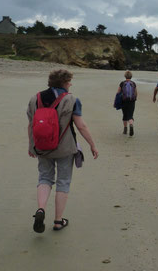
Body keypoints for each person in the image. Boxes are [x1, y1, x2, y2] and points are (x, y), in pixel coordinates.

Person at [27, 69, 98, 233]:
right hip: (65, 148)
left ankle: (41, 209)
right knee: (63, 181)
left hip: (42, 147)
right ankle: (58, 221)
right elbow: (81, 126)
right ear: (64, 83)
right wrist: (92, 145)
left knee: (44, 177)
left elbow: (31, 125)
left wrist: (31, 146)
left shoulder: (35, 99)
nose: (71, 84)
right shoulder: (71, 99)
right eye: (69, 81)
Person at [116, 70, 137, 136]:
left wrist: (117, 101)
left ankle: (125, 129)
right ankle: (131, 124)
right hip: (131, 101)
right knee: (130, 115)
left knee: (125, 115)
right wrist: (134, 99)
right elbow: (136, 92)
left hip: (124, 101)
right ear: (131, 76)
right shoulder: (133, 83)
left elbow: (118, 92)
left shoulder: (122, 83)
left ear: (125, 76)